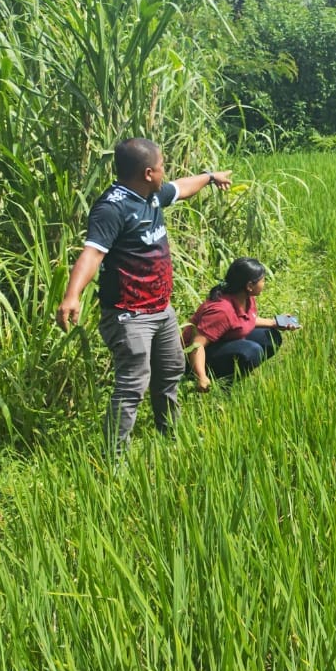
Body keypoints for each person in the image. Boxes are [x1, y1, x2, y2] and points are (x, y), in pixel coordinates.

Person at [54, 138, 232, 454]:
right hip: (129, 314)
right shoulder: (113, 208)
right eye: (162, 166)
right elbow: (92, 253)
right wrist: (72, 295)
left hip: (161, 310)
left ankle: (171, 437)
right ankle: (115, 458)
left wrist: (209, 177)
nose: (166, 172)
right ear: (148, 172)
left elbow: (181, 187)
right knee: (132, 386)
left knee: (171, 372)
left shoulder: (150, 195)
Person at [183, 257, 300, 392]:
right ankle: (221, 384)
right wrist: (201, 376)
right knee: (251, 351)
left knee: (271, 337)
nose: (264, 283)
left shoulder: (245, 298)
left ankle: (231, 376)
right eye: (263, 280)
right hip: (193, 358)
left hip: (219, 343)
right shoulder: (222, 311)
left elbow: (244, 320)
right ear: (249, 286)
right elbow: (196, 345)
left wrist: (274, 322)